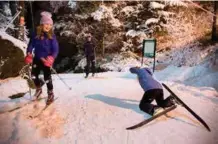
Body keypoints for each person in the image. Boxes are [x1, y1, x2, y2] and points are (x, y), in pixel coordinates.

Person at [24, 11, 59, 105]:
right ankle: (38, 89)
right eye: (46, 24)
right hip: (37, 58)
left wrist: (52, 57)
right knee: (34, 75)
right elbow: (31, 45)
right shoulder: (36, 35)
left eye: (50, 24)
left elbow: (55, 49)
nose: (48, 26)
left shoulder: (52, 37)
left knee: (47, 77)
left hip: (47, 60)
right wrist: (29, 53)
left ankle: (50, 92)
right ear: (41, 24)